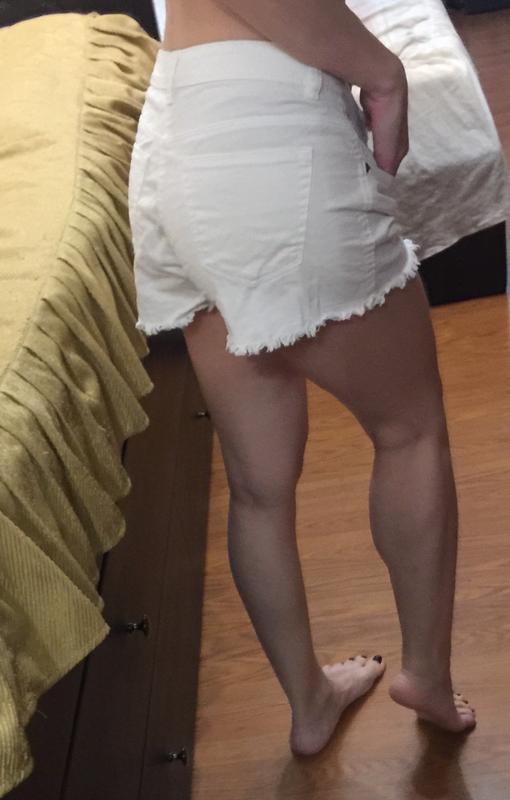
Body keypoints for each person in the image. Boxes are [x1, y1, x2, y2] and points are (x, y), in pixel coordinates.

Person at [128, 0, 477, 757]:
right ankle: (427, 676)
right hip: (265, 135)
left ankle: (310, 704)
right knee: (410, 431)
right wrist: (382, 72)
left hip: (177, 145)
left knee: (258, 486)